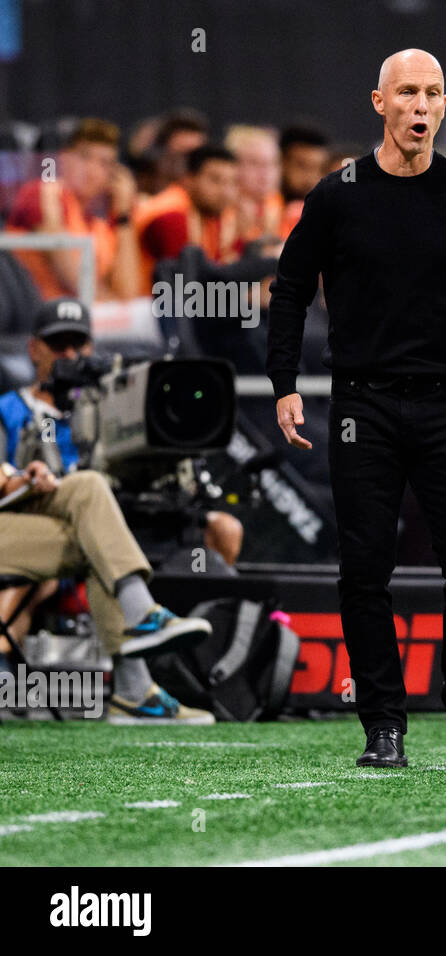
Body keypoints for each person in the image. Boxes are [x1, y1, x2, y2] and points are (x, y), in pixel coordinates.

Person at [266, 49, 446, 767]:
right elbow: (289, 289)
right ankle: (382, 722)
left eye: (435, 93)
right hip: (363, 407)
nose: (422, 105)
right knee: (365, 568)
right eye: (408, 92)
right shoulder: (337, 194)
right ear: (379, 104)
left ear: (444, 107)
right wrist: (283, 382)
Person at [0, 298, 216, 723]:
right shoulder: (9, 407)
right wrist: (21, 478)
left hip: (56, 519)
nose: (67, 356)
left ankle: (138, 673)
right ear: (34, 349)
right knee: (94, 523)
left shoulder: (98, 404)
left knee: (92, 501)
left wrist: (21, 477)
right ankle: (138, 663)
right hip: (21, 525)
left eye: (76, 345)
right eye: (56, 345)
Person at [7, 118, 139, 302]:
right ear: (62, 157)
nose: (92, 170)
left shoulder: (103, 219)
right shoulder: (42, 193)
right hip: (35, 321)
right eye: (84, 157)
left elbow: (128, 292)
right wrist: (118, 311)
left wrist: (124, 216)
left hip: (85, 320)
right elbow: (74, 280)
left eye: (104, 163)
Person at [132, 144, 239, 295]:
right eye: (215, 180)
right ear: (189, 179)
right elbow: (188, 285)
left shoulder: (209, 212)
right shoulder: (170, 216)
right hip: (140, 309)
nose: (226, 192)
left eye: (232, 182)